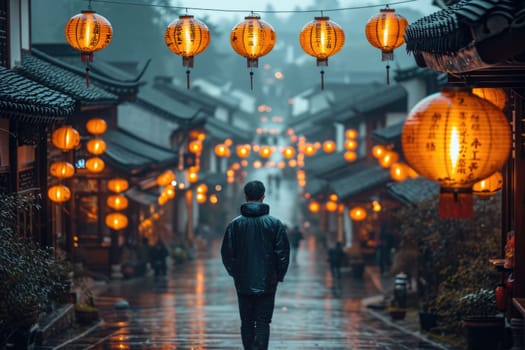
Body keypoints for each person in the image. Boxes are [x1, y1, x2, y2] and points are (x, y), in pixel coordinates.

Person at [221, 180, 290, 350]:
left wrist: (236, 272)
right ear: (263, 197)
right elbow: (283, 254)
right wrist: (278, 275)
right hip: (267, 282)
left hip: (243, 282)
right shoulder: (275, 224)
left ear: (245, 197)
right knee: (263, 322)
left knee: (246, 322)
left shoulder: (235, 225)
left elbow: (227, 254)